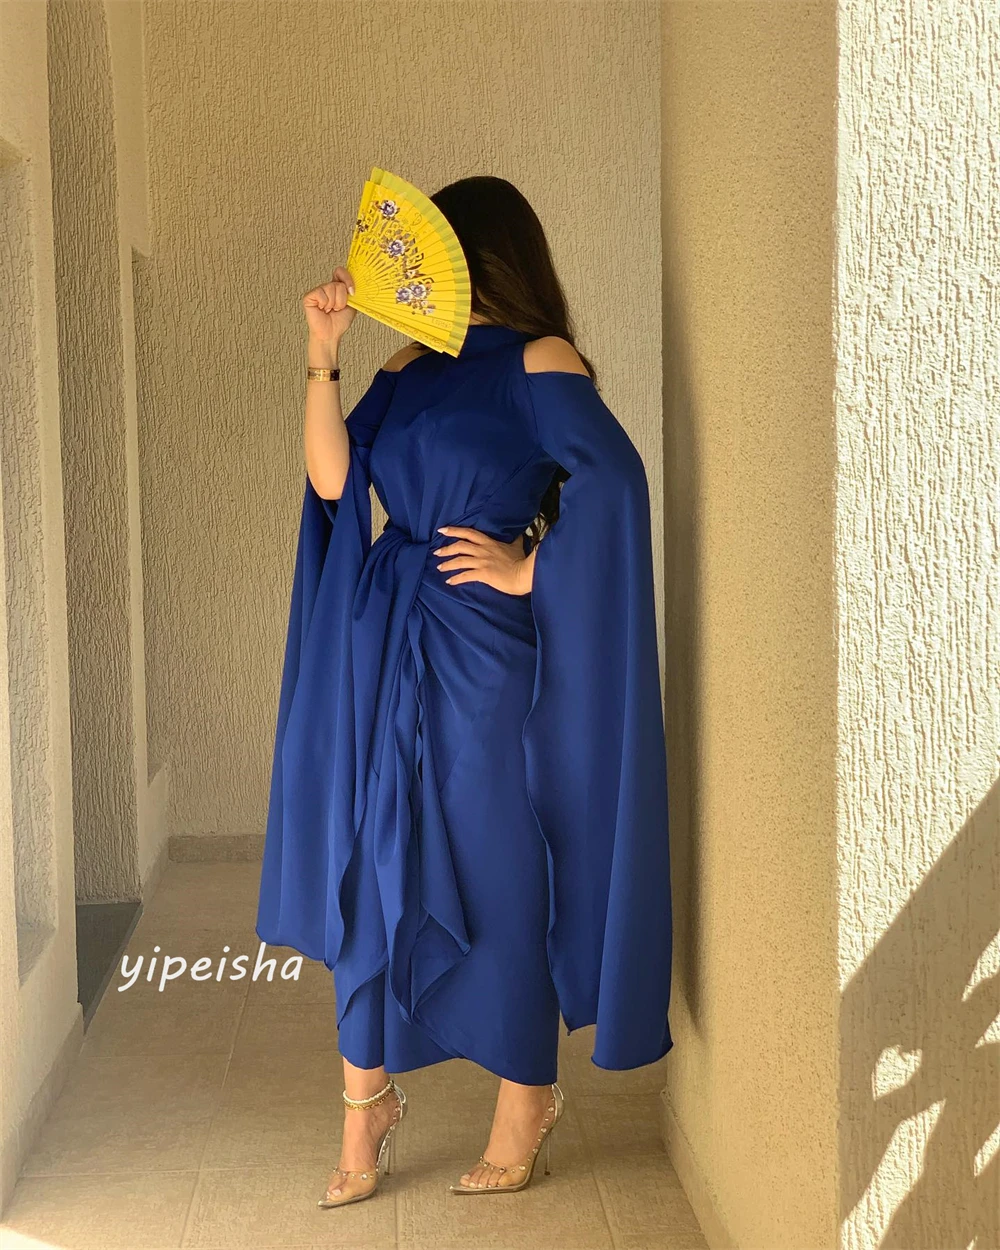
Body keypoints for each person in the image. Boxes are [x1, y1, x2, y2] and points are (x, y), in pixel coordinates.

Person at [256, 175, 674, 1207]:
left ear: (477, 254)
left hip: (486, 656)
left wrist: (531, 567)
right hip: (381, 637)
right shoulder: (406, 363)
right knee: (368, 861)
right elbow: (332, 481)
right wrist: (323, 351)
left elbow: (614, 485)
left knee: (496, 869)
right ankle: (365, 1109)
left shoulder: (541, 361)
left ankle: (525, 1094)